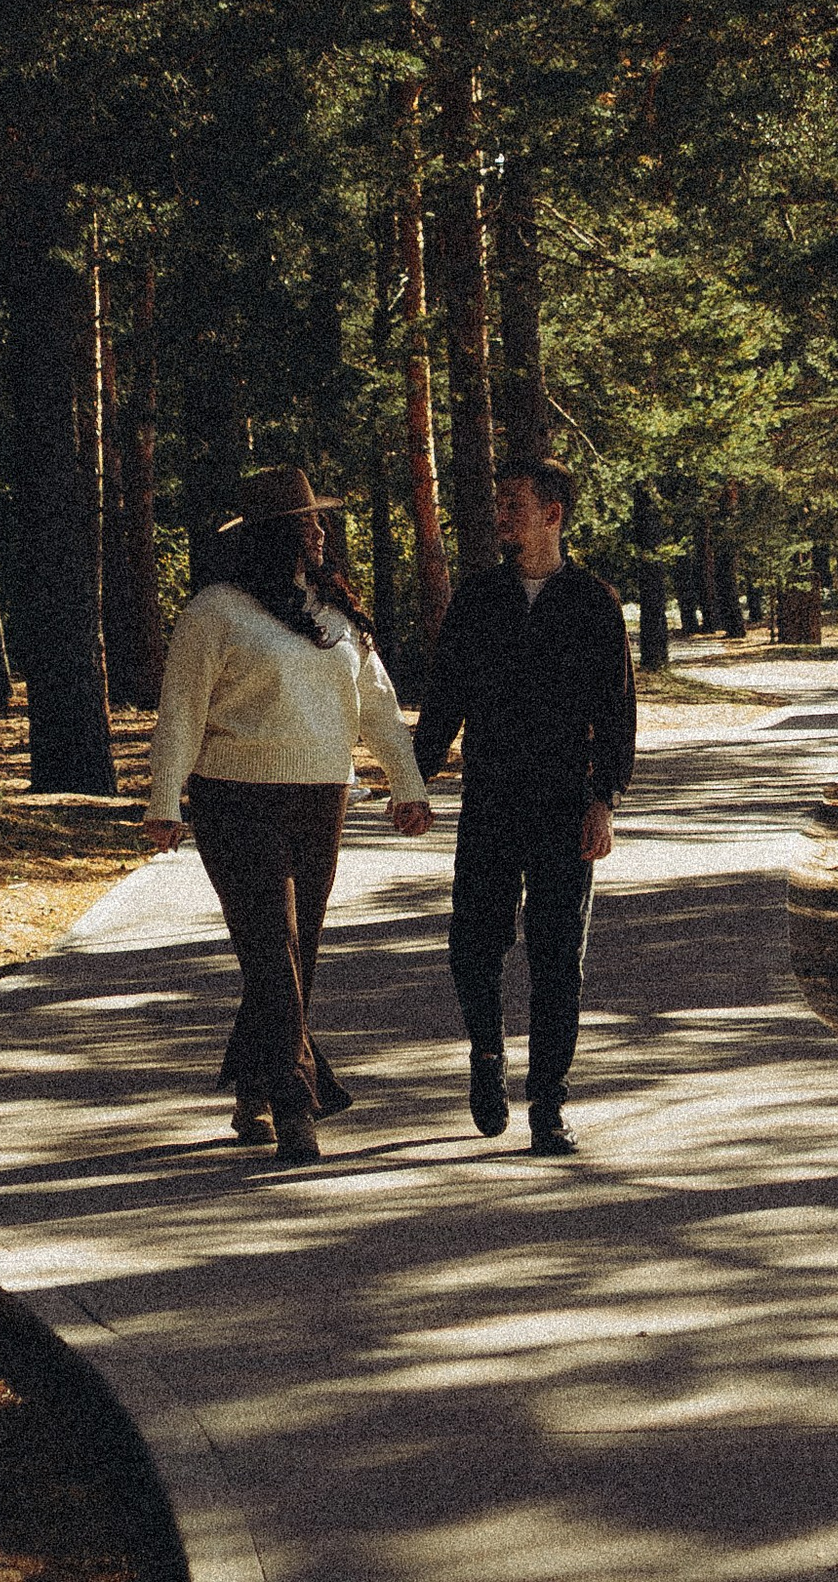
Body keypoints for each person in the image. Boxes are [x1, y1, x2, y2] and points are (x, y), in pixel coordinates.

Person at [143, 463, 434, 1163]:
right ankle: (298, 1105)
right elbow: (180, 712)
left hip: (320, 799)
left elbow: (378, 708)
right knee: (272, 951)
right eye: (305, 521)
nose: (320, 531)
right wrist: (164, 799)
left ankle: (253, 1086)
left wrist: (408, 784)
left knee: (295, 957)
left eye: (320, 518)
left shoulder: (338, 615)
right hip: (235, 799)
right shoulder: (214, 611)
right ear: (274, 534)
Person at [414, 458, 635, 1158]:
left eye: (513, 504)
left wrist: (605, 799)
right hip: (491, 801)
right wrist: (414, 781)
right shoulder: (477, 600)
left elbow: (618, 714)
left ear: (553, 514)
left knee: (556, 955)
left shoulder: (594, 603)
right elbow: (443, 699)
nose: (500, 516)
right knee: (472, 943)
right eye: (498, 503)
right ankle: (487, 1056)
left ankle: (549, 1103)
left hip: (564, 805)